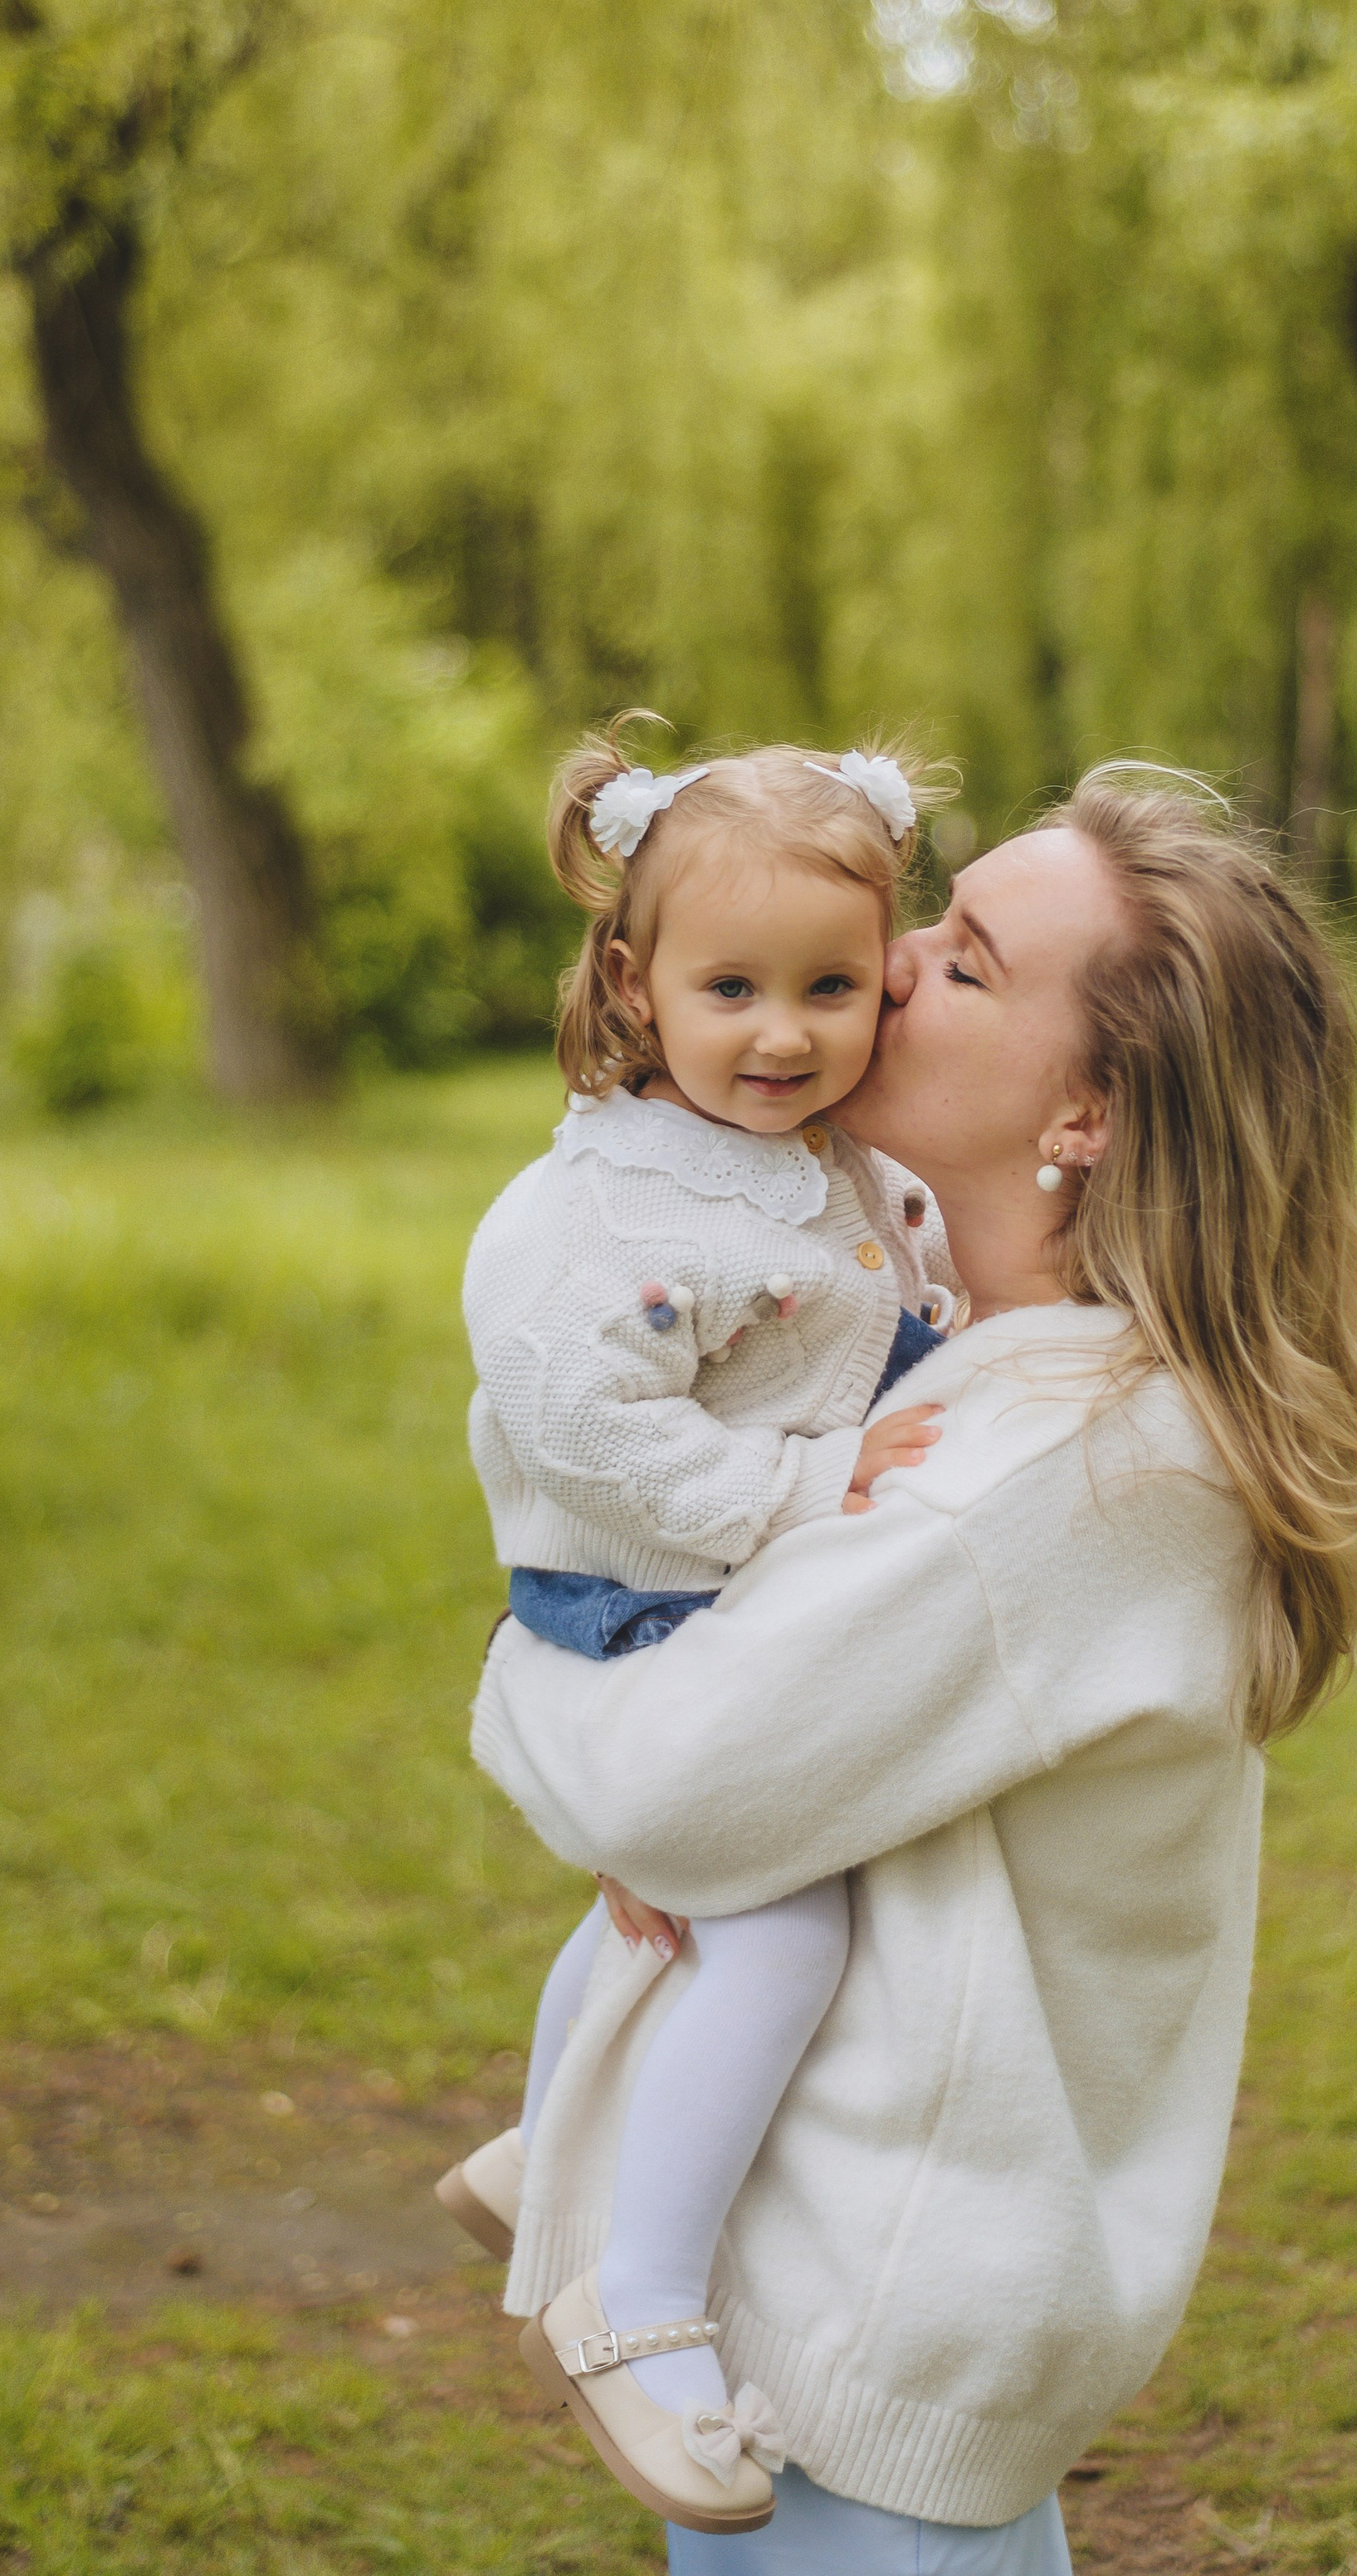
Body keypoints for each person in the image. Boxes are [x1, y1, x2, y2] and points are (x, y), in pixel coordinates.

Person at [472, 766, 1357, 2573]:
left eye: (963, 959)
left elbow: (675, 1783)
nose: (880, 963)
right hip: (838, 2292)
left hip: (878, 2332)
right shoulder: (952, 1357)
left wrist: (529, 1661)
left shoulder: (1054, 1463)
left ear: (1089, 1106)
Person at [440, 719, 961, 2534]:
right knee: (776, 1918)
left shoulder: (804, 1159)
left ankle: (543, 2139)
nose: (783, 1030)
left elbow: (874, 1304)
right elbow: (583, 1419)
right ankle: (636, 2291)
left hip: (705, 1582)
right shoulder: (618, 1199)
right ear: (632, 981)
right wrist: (809, 1492)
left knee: (677, 1908)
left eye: (832, 984)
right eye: (729, 983)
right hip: (642, 1590)